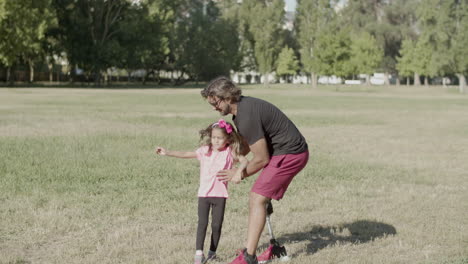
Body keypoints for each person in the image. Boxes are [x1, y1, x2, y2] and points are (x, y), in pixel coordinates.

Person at [201, 76, 309, 264]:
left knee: (257, 197)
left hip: (291, 154)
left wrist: (239, 174)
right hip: (281, 152)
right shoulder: (241, 111)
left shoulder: (247, 115)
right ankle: (249, 249)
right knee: (259, 197)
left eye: (215, 102)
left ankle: (249, 257)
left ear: (227, 97)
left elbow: (261, 159)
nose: (213, 107)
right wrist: (227, 161)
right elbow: (248, 144)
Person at [155, 119, 248, 264]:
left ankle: (212, 252)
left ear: (228, 139)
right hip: (204, 194)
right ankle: (199, 254)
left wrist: (238, 173)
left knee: (217, 225)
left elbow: (245, 161)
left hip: (220, 195)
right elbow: (186, 153)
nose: (216, 141)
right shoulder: (205, 150)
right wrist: (168, 152)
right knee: (202, 223)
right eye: (213, 137)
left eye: (220, 138)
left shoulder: (230, 152)